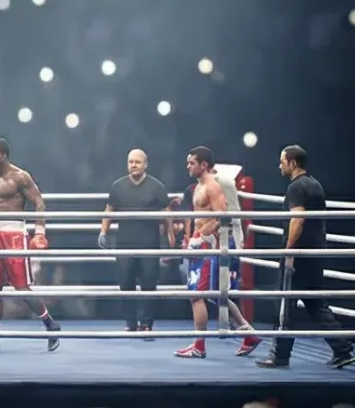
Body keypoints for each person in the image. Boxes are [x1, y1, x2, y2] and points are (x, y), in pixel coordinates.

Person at [259, 145, 355, 370]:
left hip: (299, 255)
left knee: (285, 305)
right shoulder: (315, 184)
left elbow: (298, 219)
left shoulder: (296, 187)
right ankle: (342, 349)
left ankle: (280, 356)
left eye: (282, 161)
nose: (280, 165)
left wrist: (289, 251)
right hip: (314, 252)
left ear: (293, 163)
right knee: (314, 304)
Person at [176, 146, 263, 358]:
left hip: (210, 246)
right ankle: (248, 333)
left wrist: (204, 237)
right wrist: (193, 237)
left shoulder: (212, 187)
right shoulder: (198, 186)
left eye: (192, 163)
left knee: (197, 295)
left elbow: (222, 216)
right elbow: (201, 218)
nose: (188, 166)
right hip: (202, 245)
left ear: (203, 165)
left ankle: (199, 346)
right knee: (216, 293)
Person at [0, 139, 62, 351]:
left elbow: (39, 202)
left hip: (14, 233)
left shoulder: (20, 176)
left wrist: (39, 232)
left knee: (21, 286)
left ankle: (50, 324)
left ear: (3, 155)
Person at [99, 148, 171, 334]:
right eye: (131, 162)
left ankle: (146, 324)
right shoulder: (118, 186)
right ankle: (130, 323)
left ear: (145, 164)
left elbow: (167, 215)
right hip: (124, 243)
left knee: (149, 283)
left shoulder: (157, 186)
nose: (134, 165)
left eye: (137, 162)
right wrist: (103, 231)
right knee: (125, 283)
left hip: (149, 243)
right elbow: (109, 209)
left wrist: (170, 239)